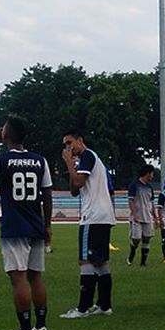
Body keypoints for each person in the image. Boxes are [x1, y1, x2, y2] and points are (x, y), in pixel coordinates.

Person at [0, 115, 53, 330]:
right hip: (36, 224)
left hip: (14, 226)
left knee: (18, 278)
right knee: (36, 277)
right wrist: (47, 225)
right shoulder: (40, 160)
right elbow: (47, 195)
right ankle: (42, 325)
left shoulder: (2, 158)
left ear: (5, 135)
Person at [59, 129, 116, 319]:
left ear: (80, 140)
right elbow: (74, 190)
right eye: (65, 145)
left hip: (92, 216)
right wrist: (71, 167)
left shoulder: (87, 155)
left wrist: (68, 163)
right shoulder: (88, 159)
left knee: (85, 260)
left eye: (70, 143)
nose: (68, 148)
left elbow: (79, 182)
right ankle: (104, 305)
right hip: (103, 215)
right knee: (100, 262)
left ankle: (82, 308)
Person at [127, 164, 157, 267]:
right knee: (137, 239)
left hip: (147, 217)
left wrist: (156, 217)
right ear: (147, 173)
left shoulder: (149, 188)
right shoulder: (134, 185)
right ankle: (132, 253)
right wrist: (134, 214)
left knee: (147, 238)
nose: (153, 176)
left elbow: (151, 203)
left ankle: (143, 262)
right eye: (152, 174)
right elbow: (131, 200)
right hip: (137, 217)